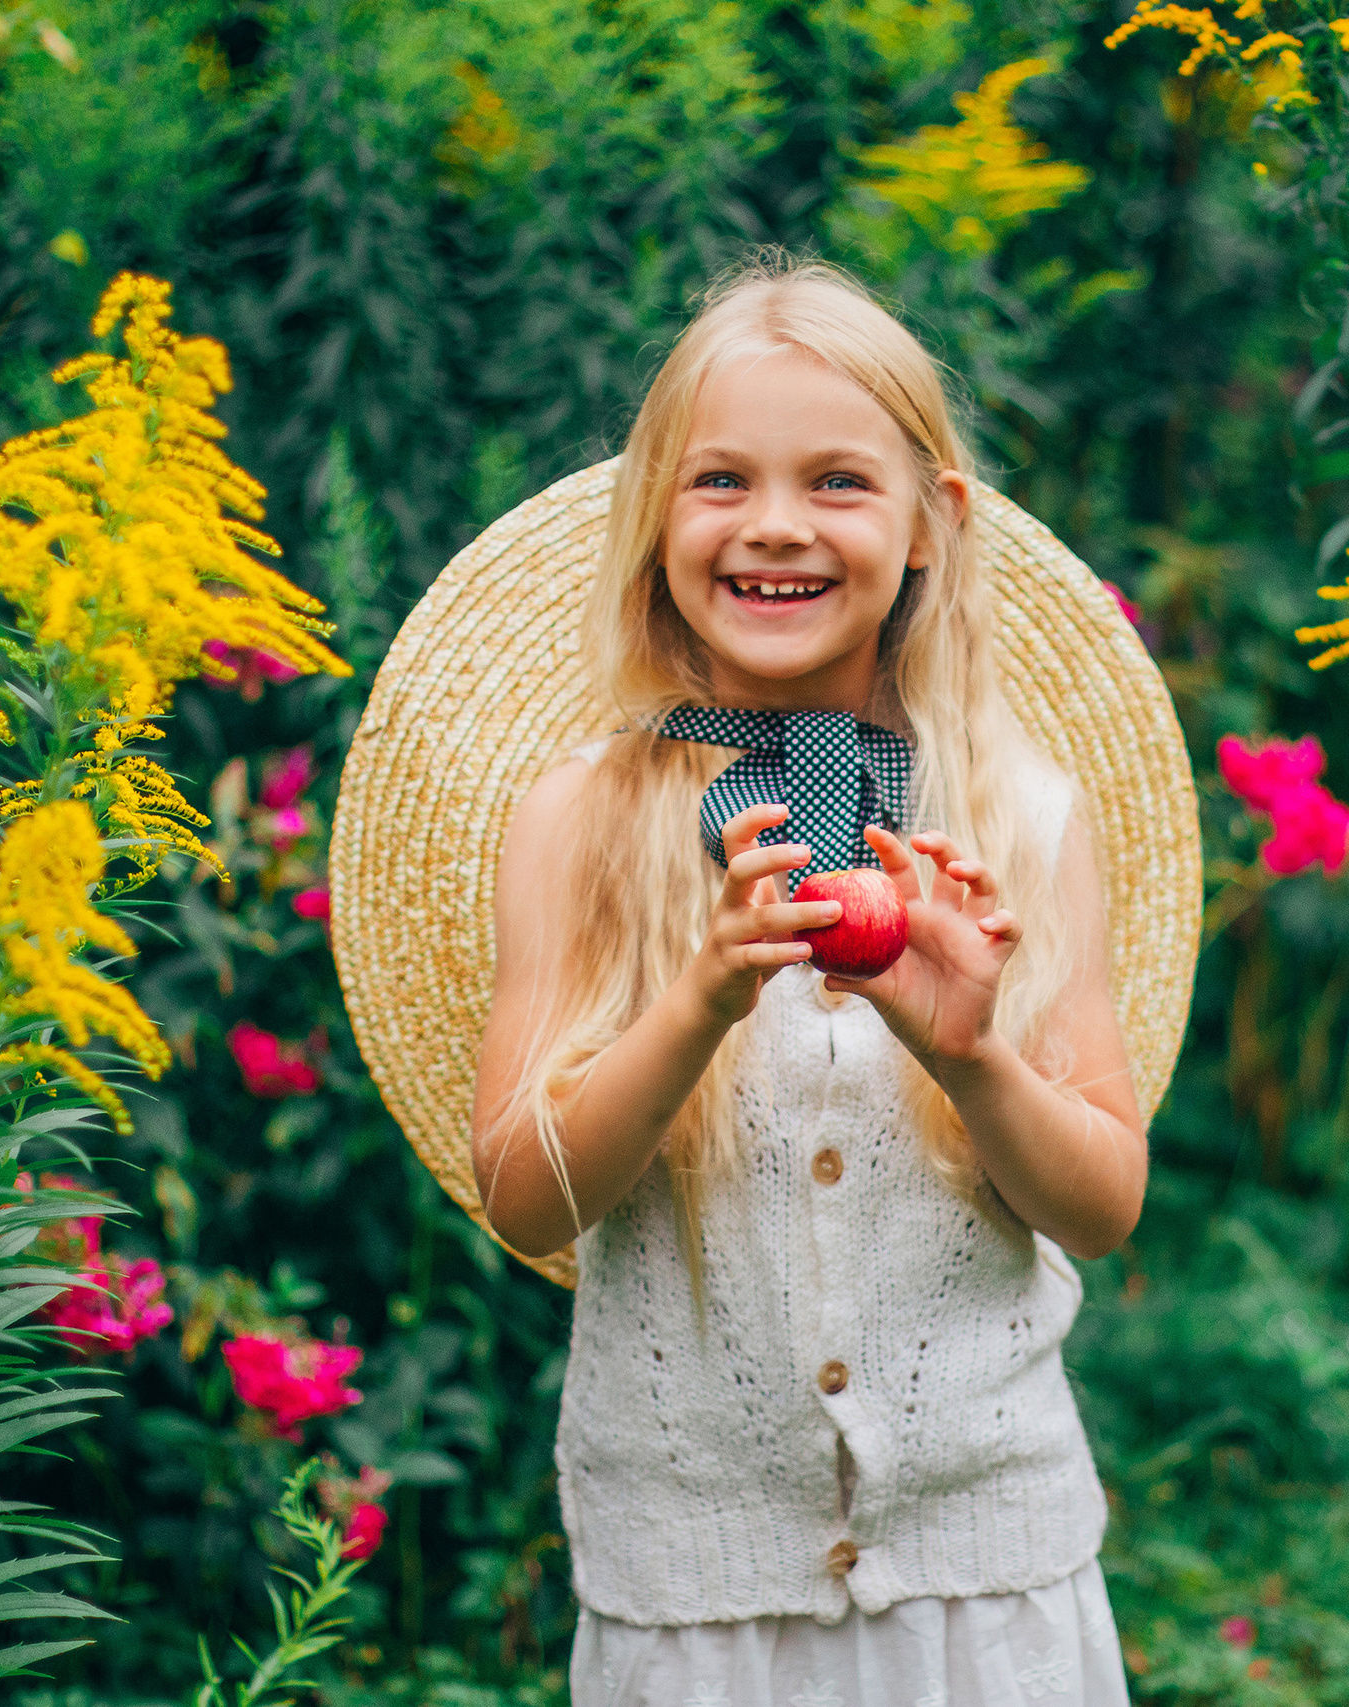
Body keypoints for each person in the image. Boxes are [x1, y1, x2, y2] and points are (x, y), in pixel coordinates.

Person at [466, 258, 1148, 1706]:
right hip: (696, 1600)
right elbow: (523, 1198)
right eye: (721, 480)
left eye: (839, 481)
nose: (775, 524)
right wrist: (696, 1001)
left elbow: (1103, 1204)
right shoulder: (582, 819)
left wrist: (975, 1059)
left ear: (929, 527)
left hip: (986, 1586)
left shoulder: (1018, 815)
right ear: (654, 520)